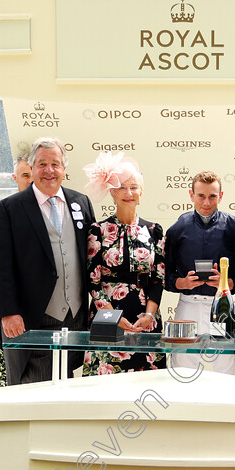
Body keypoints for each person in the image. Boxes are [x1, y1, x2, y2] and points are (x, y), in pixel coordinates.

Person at [0, 137, 95, 384]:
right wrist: (9, 312)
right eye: (42, 164)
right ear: (32, 167)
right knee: (34, 387)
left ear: (64, 169)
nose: (49, 170)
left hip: (75, 316)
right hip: (32, 316)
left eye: (55, 164)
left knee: (67, 383)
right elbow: (1, 264)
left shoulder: (81, 202)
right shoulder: (10, 208)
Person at [83, 151, 166, 374]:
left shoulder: (154, 230)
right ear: (112, 192)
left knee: (146, 382)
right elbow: (93, 282)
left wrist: (149, 316)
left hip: (145, 320)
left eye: (134, 187)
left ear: (141, 192)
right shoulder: (97, 231)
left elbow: (158, 279)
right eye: (122, 187)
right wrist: (112, 317)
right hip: (108, 317)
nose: (129, 193)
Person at [164, 170, 235, 375]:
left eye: (212, 196)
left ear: (221, 196)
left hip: (221, 308)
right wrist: (182, 283)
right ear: (191, 195)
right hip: (188, 309)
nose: (206, 202)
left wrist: (229, 283)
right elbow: (165, 275)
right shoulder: (177, 229)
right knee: (182, 367)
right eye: (201, 196)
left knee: (226, 369)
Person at [0, 155, 32, 374]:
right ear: (15, 178)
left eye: (33, 174)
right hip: (13, 304)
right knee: (18, 371)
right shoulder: (2, 210)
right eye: (25, 175)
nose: (30, 180)